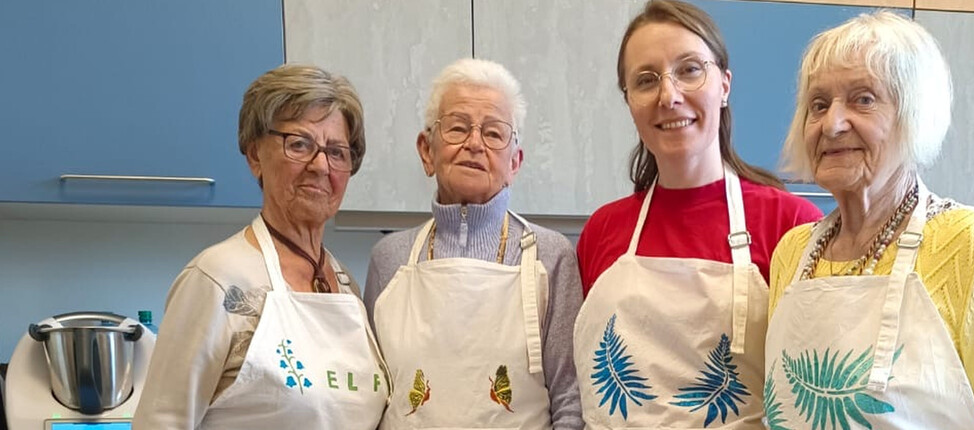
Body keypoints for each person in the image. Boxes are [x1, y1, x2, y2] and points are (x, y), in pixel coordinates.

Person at [764, 11, 974, 429]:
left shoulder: (973, 244)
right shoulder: (793, 253)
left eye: (863, 99)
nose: (833, 124)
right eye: (818, 105)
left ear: (914, 116)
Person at [573, 1, 822, 427]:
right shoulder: (602, 230)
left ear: (724, 85)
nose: (669, 96)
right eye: (646, 80)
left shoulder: (792, 225)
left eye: (689, 70)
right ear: (629, 101)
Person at [133, 64, 388, 429]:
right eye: (299, 144)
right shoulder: (217, 279)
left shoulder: (345, 284)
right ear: (255, 156)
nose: (320, 165)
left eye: (336, 152)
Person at [364, 58, 583, 429]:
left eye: (495, 133)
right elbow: (372, 396)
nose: (474, 144)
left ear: (515, 162)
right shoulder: (390, 259)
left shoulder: (551, 256)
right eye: (457, 128)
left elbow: (571, 400)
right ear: (426, 150)